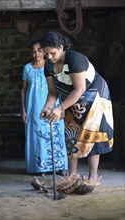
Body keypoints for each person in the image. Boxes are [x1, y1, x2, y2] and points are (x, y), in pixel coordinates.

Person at [40, 31, 114, 194]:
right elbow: (53, 92)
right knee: (71, 132)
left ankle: (92, 177)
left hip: (93, 93)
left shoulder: (74, 59)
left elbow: (79, 88)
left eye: (53, 53)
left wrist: (60, 108)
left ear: (61, 47)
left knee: (91, 135)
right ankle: (71, 176)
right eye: (46, 54)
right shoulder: (48, 65)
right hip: (71, 98)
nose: (50, 57)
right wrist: (47, 107)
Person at [21, 40, 68, 176]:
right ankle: (40, 167)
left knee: (56, 132)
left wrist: (62, 106)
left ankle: (60, 166)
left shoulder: (51, 65)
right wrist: (23, 109)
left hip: (52, 103)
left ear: (44, 52)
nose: (36, 54)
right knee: (37, 134)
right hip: (33, 106)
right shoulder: (28, 68)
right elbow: (23, 90)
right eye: (34, 51)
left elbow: (60, 86)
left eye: (39, 50)